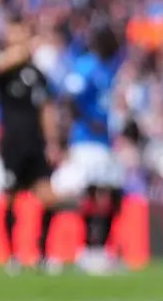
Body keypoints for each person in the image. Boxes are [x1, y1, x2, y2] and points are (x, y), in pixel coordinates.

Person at [0, 26, 65, 273]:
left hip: (35, 143)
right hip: (13, 144)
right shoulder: (5, 72)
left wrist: (52, 142)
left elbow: (47, 109)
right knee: (10, 198)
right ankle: (12, 256)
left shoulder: (38, 75)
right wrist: (18, 51)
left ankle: (42, 254)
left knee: (48, 198)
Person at [52, 23, 125, 274]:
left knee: (112, 194)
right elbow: (70, 99)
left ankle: (99, 249)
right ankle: (87, 249)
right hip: (86, 141)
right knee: (92, 193)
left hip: (103, 141)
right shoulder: (87, 65)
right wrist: (88, 123)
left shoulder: (108, 67)